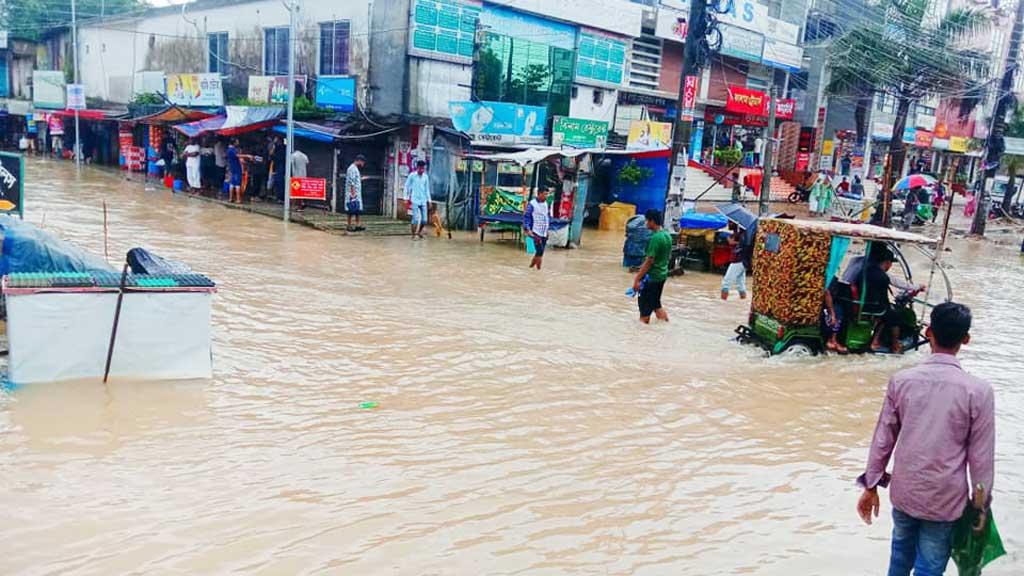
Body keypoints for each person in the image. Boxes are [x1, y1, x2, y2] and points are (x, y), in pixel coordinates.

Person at [857, 302, 994, 576]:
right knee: (930, 567)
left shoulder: (902, 381)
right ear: (965, 340)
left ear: (928, 332)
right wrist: (980, 506)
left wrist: (871, 484)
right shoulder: (979, 392)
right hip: (945, 501)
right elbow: (981, 459)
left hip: (906, 492)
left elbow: (883, 437)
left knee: (899, 559)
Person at [632, 209, 672, 324]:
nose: (646, 224)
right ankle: (666, 326)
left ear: (652, 221)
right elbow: (668, 256)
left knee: (645, 311)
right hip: (661, 276)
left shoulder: (655, 238)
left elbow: (649, 260)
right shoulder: (667, 235)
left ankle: (642, 335)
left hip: (652, 278)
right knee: (656, 304)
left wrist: (637, 278)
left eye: (647, 221)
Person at [523, 187, 551, 270]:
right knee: (540, 251)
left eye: (547, 194)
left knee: (540, 253)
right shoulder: (532, 204)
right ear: (539, 194)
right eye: (545, 194)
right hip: (536, 231)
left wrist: (547, 230)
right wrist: (528, 230)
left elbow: (546, 217)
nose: (546, 196)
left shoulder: (546, 204)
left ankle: (531, 268)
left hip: (544, 232)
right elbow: (526, 217)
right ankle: (539, 270)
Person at [404, 160, 431, 239]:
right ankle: (413, 235)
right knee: (415, 219)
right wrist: (406, 198)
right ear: (417, 168)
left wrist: (429, 201)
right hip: (415, 200)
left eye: (423, 169)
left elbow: (427, 189)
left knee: (424, 220)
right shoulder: (412, 176)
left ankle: (419, 232)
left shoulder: (426, 177)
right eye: (420, 168)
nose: (422, 170)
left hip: (423, 200)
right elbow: (406, 186)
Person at [720, 224, 747, 300]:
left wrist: (731, 241)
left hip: (737, 260)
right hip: (742, 261)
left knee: (726, 282)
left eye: (731, 223)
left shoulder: (742, 234)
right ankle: (743, 299)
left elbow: (742, 244)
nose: (729, 224)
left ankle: (722, 301)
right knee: (740, 284)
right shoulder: (740, 232)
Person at [345, 154, 366, 232]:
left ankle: (357, 224)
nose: (363, 164)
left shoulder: (355, 169)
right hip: (352, 193)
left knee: (357, 209)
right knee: (351, 209)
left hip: (356, 192)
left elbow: (355, 180)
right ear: (359, 160)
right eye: (362, 162)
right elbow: (352, 182)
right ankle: (349, 225)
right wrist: (353, 193)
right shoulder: (352, 169)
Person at [227, 138, 245, 204]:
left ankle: (230, 198)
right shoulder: (232, 150)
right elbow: (238, 157)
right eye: (237, 142)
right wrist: (247, 156)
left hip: (232, 168)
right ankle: (238, 199)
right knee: (237, 185)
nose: (238, 143)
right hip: (237, 169)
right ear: (234, 143)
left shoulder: (229, 149)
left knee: (232, 184)